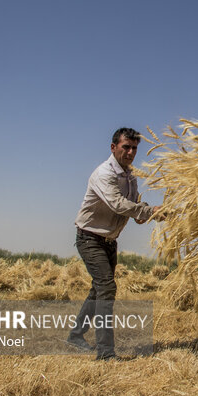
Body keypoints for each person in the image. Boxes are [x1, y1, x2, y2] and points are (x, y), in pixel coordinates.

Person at [67, 127, 162, 360]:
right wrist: (149, 210)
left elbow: (132, 208)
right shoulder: (103, 174)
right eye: (126, 147)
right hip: (90, 238)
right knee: (107, 288)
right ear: (113, 147)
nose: (130, 152)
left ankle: (75, 336)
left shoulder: (131, 177)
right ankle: (106, 353)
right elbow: (118, 205)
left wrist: (148, 214)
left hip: (110, 241)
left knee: (98, 290)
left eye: (134, 148)